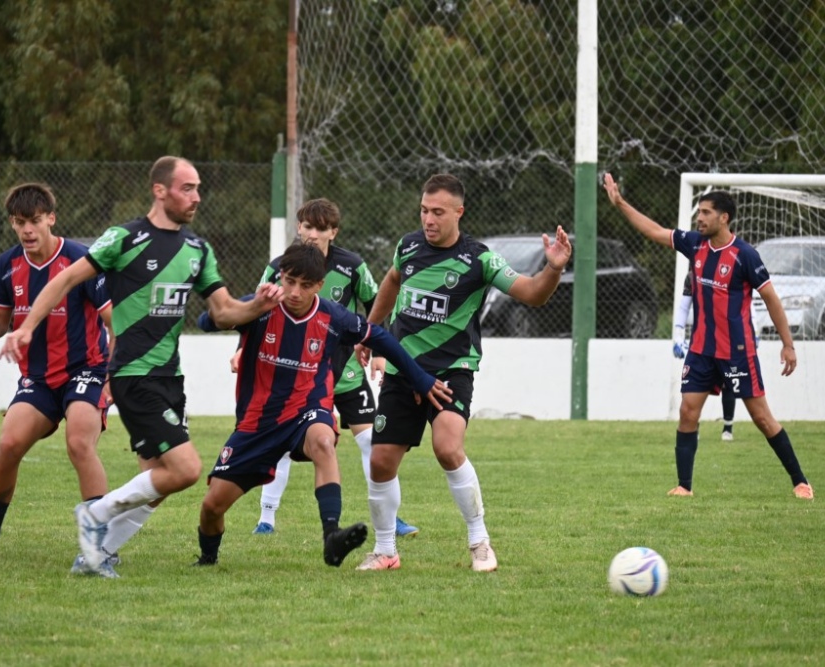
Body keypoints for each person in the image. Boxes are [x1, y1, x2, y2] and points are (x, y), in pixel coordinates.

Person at [0, 156, 283, 577]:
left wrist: (258, 305)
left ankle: (93, 556)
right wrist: (25, 328)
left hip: (170, 377)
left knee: (156, 483)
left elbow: (223, 313)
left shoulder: (196, 250)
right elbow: (63, 281)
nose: (196, 197)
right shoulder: (124, 239)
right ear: (160, 190)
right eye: (187, 188)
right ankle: (96, 514)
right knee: (185, 469)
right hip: (134, 374)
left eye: (198, 188)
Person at [356, 173, 572, 572]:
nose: (428, 219)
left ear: (459, 212)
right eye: (424, 210)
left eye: (438, 212)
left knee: (448, 448)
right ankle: (385, 550)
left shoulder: (480, 259)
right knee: (381, 461)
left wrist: (553, 269)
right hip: (404, 369)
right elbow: (391, 280)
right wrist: (371, 329)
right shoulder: (408, 247)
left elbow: (531, 293)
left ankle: (480, 541)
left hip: (452, 371)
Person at [192, 243, 452, 568]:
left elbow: (380, 337)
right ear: (281, 277)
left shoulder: (332, 317)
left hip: (306, 411)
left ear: (319, 285)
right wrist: (249, 308)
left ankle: (332, 537)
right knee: (212, 507)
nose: (295, 292)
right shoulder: (261, 305)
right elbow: (206, 320)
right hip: (257, 424)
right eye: (289, 282)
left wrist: (421, 379)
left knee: (323, 441)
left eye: (305, 285)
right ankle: (208, 558)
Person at [603, 173, 813, 499]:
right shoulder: (695, 244)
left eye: (705, 212)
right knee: (688, 411)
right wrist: (620, 203)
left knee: (761, 417)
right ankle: (684, 486)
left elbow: (771, 298)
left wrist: (788, 345)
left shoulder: (745, 255)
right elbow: (654, 230)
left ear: (723, 217)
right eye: (698, 212)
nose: (699, 218)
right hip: (701, 349)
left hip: (737, 351)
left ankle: (800, 481)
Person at [239, 198, 419, 538]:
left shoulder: (351, 266)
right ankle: (266, 518)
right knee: (282, 444)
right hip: (295, 374)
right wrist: (241, 350)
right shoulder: (280, 265)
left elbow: (376, 300)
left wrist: (377, 350)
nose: (311, 234)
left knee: (372, 443)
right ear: (298, 228)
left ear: (333, 232)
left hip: (346, 372)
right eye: (306, 227)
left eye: (320, 228)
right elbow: (256, 311)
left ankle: (389, 518)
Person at [0, 182, 114, 561]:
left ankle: (102, 547)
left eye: (33, 221)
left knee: (79, 442)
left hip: (88, 370)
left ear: (51, 219)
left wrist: (111, 379)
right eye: (18, 222)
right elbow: (1, 322)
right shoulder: (7, 265)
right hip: (40, 379)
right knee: (8, 444)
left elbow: (114, 321)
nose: (27, 230)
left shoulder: (81, 260)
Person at [672, 272, 759, 441]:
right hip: (702, 342)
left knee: (729, 383)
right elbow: (684, 306)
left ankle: (728, 428)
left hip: (729, 341)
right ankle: (693, 427)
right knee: (694, 387)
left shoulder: (734, 271)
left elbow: (748, 304)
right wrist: (678, 336)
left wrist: (753, 333)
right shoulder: (693, 276)